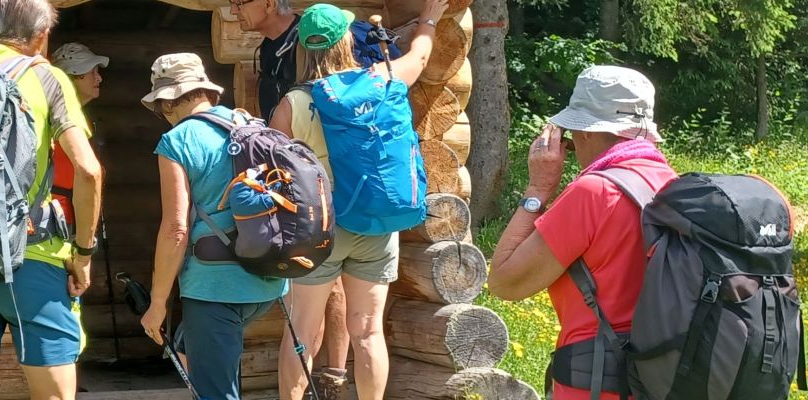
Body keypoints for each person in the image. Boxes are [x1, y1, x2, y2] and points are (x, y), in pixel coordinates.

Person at [263, 3, 446, 400]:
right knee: (367, 331)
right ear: (347, 39)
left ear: (302, 48)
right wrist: (430, 17)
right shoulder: (381, 78)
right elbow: (420, 54)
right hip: (373, 222)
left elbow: (274, 173)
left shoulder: (290, 105)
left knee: (302, 335)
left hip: (319, 229)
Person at [0, 1, 104, 399]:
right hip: (30, 258)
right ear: (43, 35)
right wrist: (83, 253)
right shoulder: (46, 77)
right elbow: (88, 170)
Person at [483, 66, 676, 400]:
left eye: (571, 136)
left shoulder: (593, 193)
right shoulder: (672, 184)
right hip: (664, 378)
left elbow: (504, 282)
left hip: (598, 381)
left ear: (587, 133)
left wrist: (538, 188)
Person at [137, 52, 289, 400]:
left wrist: (157, 303)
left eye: (161, 108)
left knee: (216, 393)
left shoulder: (177, 141)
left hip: (214, 285)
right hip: (266, 279)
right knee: (192, 348)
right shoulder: (248, 124)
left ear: (167, 102)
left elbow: (176, 228)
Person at [48, 43, 111, 227]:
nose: (99, 78)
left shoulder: (83, 121)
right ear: (73, 76)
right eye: (93, 71)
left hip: (68, 223)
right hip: (53, 224)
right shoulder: (49, 120)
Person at [232, 0, 300, 120]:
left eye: (239, 4)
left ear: (269, 4)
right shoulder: (269, 44)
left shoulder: (305, 46)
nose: (233, 11)